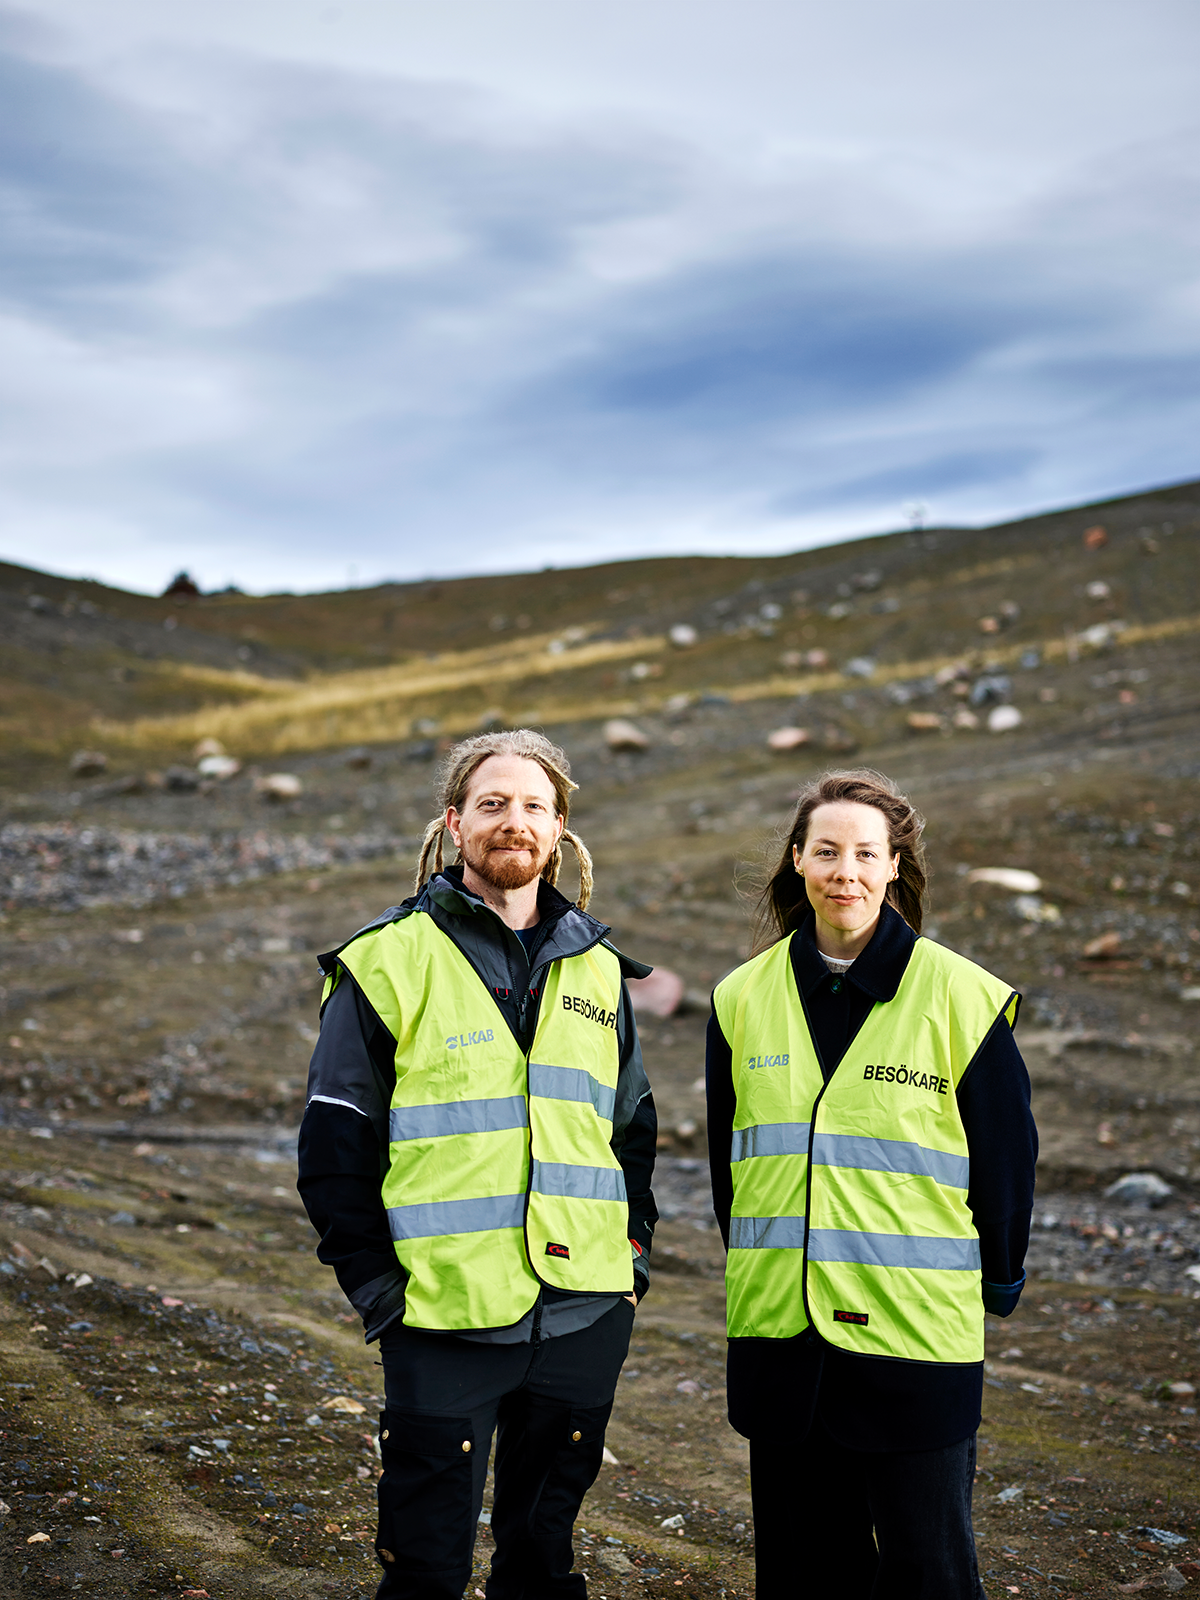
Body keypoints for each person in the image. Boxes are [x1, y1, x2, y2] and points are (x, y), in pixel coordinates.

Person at [298, 729, 657, 1600]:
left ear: (561, 828)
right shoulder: (385, 960)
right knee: (426, 1569)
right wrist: (380, 1290)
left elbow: (632, 1129)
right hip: (441, 1319)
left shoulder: (600, 971)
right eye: (492, 804)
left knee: (542, 1560)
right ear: (455, 823)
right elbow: (334, 1145)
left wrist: (631, 1259)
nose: (514, 821)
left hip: (582, 1318)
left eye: (534, 805)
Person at [706, 768, 1037, 1599]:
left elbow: (1005, 1163)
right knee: (804, 1574)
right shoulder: (740, 1000)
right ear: (797, 861)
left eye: (863, 853)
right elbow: (730, 1170)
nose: (843, 870)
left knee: (928, 1572)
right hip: (781, 1343)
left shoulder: (961, 997)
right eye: (826, 851)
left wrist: (998, 1279)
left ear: (895, 866)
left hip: (914, 1343)